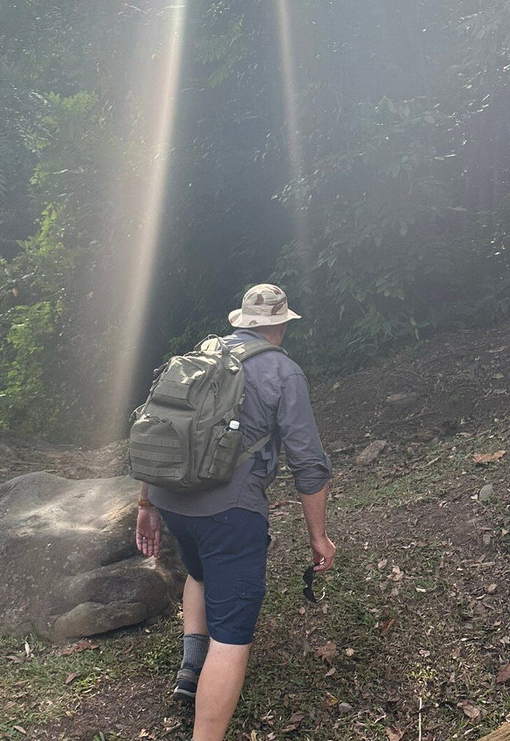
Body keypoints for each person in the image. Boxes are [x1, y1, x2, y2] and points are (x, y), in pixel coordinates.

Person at [135, 283, 335, 741]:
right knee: (232, 639)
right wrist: (318, 536)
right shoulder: (284, 372)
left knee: (200, 574)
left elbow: (157, 431)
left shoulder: (199, 355)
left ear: (243, 321)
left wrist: (146, 503)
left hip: (172, 500)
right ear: (281, 326)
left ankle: (191, 670)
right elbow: (308, 463)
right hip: (230, 512)